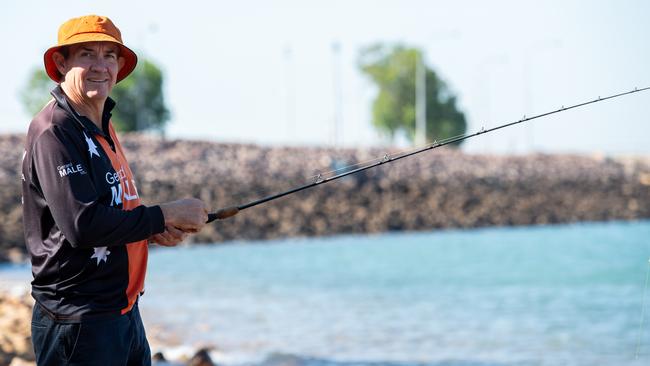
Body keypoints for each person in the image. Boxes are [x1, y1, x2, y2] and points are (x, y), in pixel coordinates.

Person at [21, 14, 209, 365]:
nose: (100, 66)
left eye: (109, 56)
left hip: (123, 312)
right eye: (87, 54)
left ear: (120, 65)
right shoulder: (54, 131)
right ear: (61, 63)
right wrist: (163, 214)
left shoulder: (100, 122)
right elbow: (82, 225)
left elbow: (110, 210)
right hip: (78, 320)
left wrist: (154, 230)